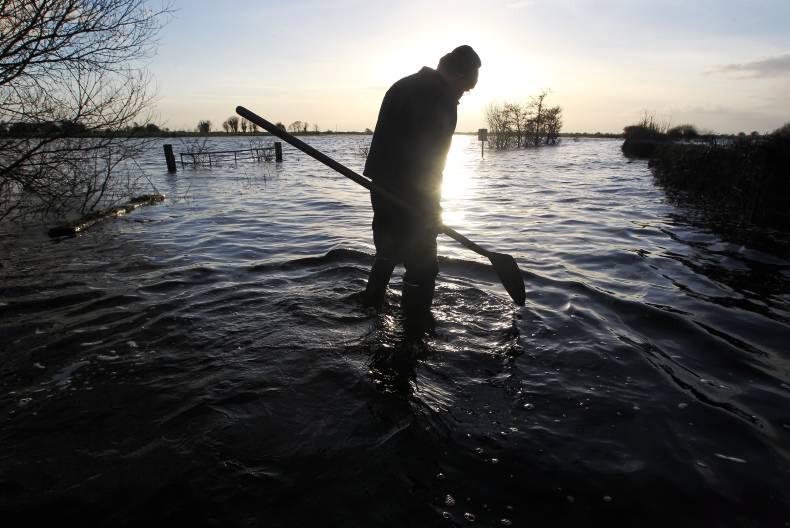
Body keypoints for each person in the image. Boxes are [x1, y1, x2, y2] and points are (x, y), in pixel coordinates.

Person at [362, 45, 481, 328]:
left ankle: (369, 309)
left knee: (388, 251)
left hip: (382, 187)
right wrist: (432, 209)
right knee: (423, 266)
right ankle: (415, 330)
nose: (461, 96)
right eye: (464, 89)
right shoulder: (441, 99)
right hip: (412, 194)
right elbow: (431, 162)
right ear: (456, 76)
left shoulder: (403, 85)